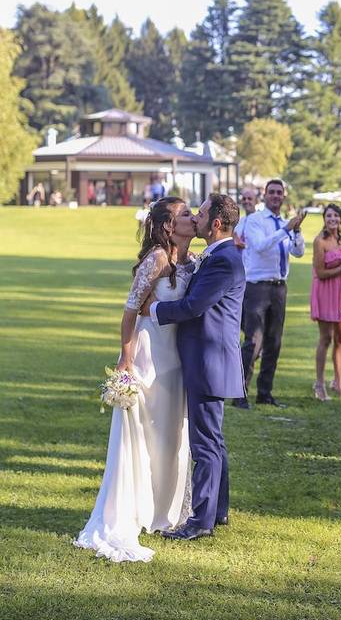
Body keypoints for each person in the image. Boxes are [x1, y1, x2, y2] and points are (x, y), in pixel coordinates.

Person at [74, 196, 196, 562]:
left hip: (175, 358)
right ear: (167, 226)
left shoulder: (186, 259)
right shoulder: (157, 258)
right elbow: (130, 314)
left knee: (169, 435)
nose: (192, 218)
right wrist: (126, 361)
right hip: (147, 354)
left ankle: (163, 512)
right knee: (142, 437)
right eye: (185, 214)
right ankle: (133, 512)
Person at [150, 193, 246, 541]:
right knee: (214, 441)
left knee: (204, 444)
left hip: (209, 360)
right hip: (209, 359)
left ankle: (200, 521)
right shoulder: (219, 255)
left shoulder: (224, 260)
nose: (197, 218)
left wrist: (154, 311)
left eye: (201, 214)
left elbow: (193, 306)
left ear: (216, 223)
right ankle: (217, 512)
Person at [235, 179, 305, 409]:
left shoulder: (285, 222)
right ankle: (239, 393)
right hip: (257, 286)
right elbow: (260, 246)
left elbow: (298, 252)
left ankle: (265, 392)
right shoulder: (255, 220)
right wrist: (285, 229)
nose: (276, 196)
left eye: (279, 193)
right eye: (272, 192)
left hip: (279, 286)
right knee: (253, 341)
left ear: (284, 196)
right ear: (264, 195)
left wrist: (296, 231)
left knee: (274, 342)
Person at [311, 204, 341, 401]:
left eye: (335, 215)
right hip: (325, 292)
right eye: (329, 215)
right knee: (325, 339)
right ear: (324, 218)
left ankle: (339, 383)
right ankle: (319, 384)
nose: (332, 218)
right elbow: (321, 273)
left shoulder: (338, 239)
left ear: (340, 219)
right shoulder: (319, 241)